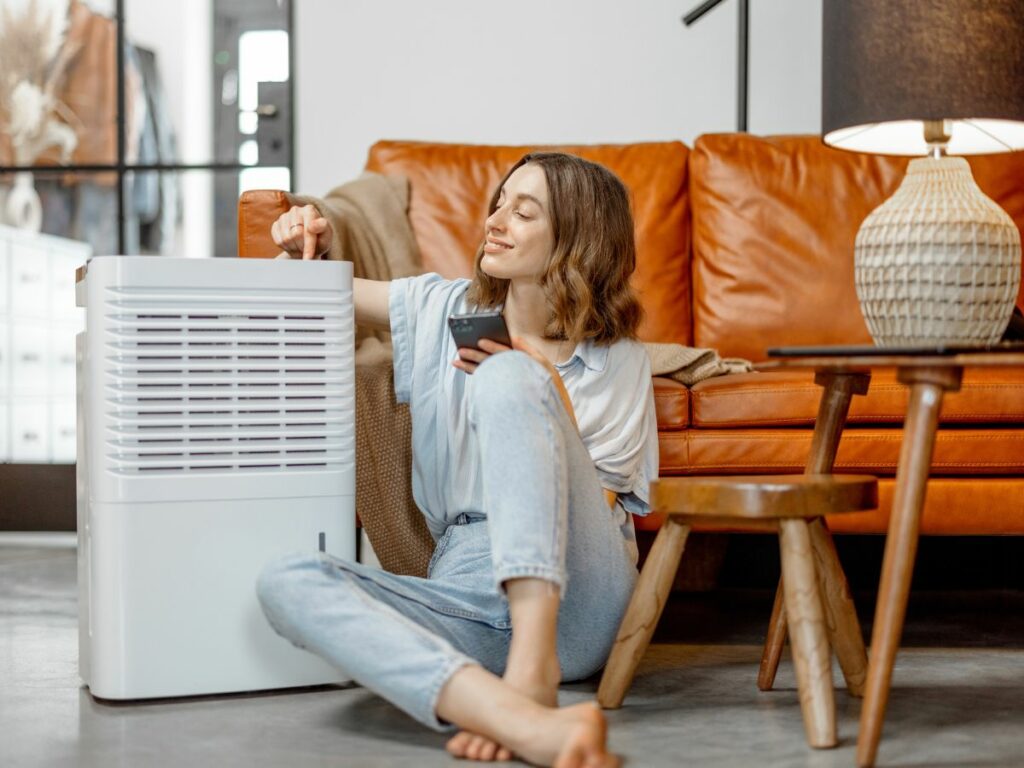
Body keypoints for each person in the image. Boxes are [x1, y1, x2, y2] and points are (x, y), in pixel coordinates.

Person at [257, 152, 659, 767]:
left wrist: (536, 378)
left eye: (523, 213)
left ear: (578, 238)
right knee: (287, 582)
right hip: (466, 586)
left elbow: (594, 504)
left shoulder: (619, 358)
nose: (496, 220)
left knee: (507, 378)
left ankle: (530, 668)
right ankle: (518, 720)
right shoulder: (438, 308)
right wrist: (307, 238)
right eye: (499, 203)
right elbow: (297, 294)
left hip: (579, 595)